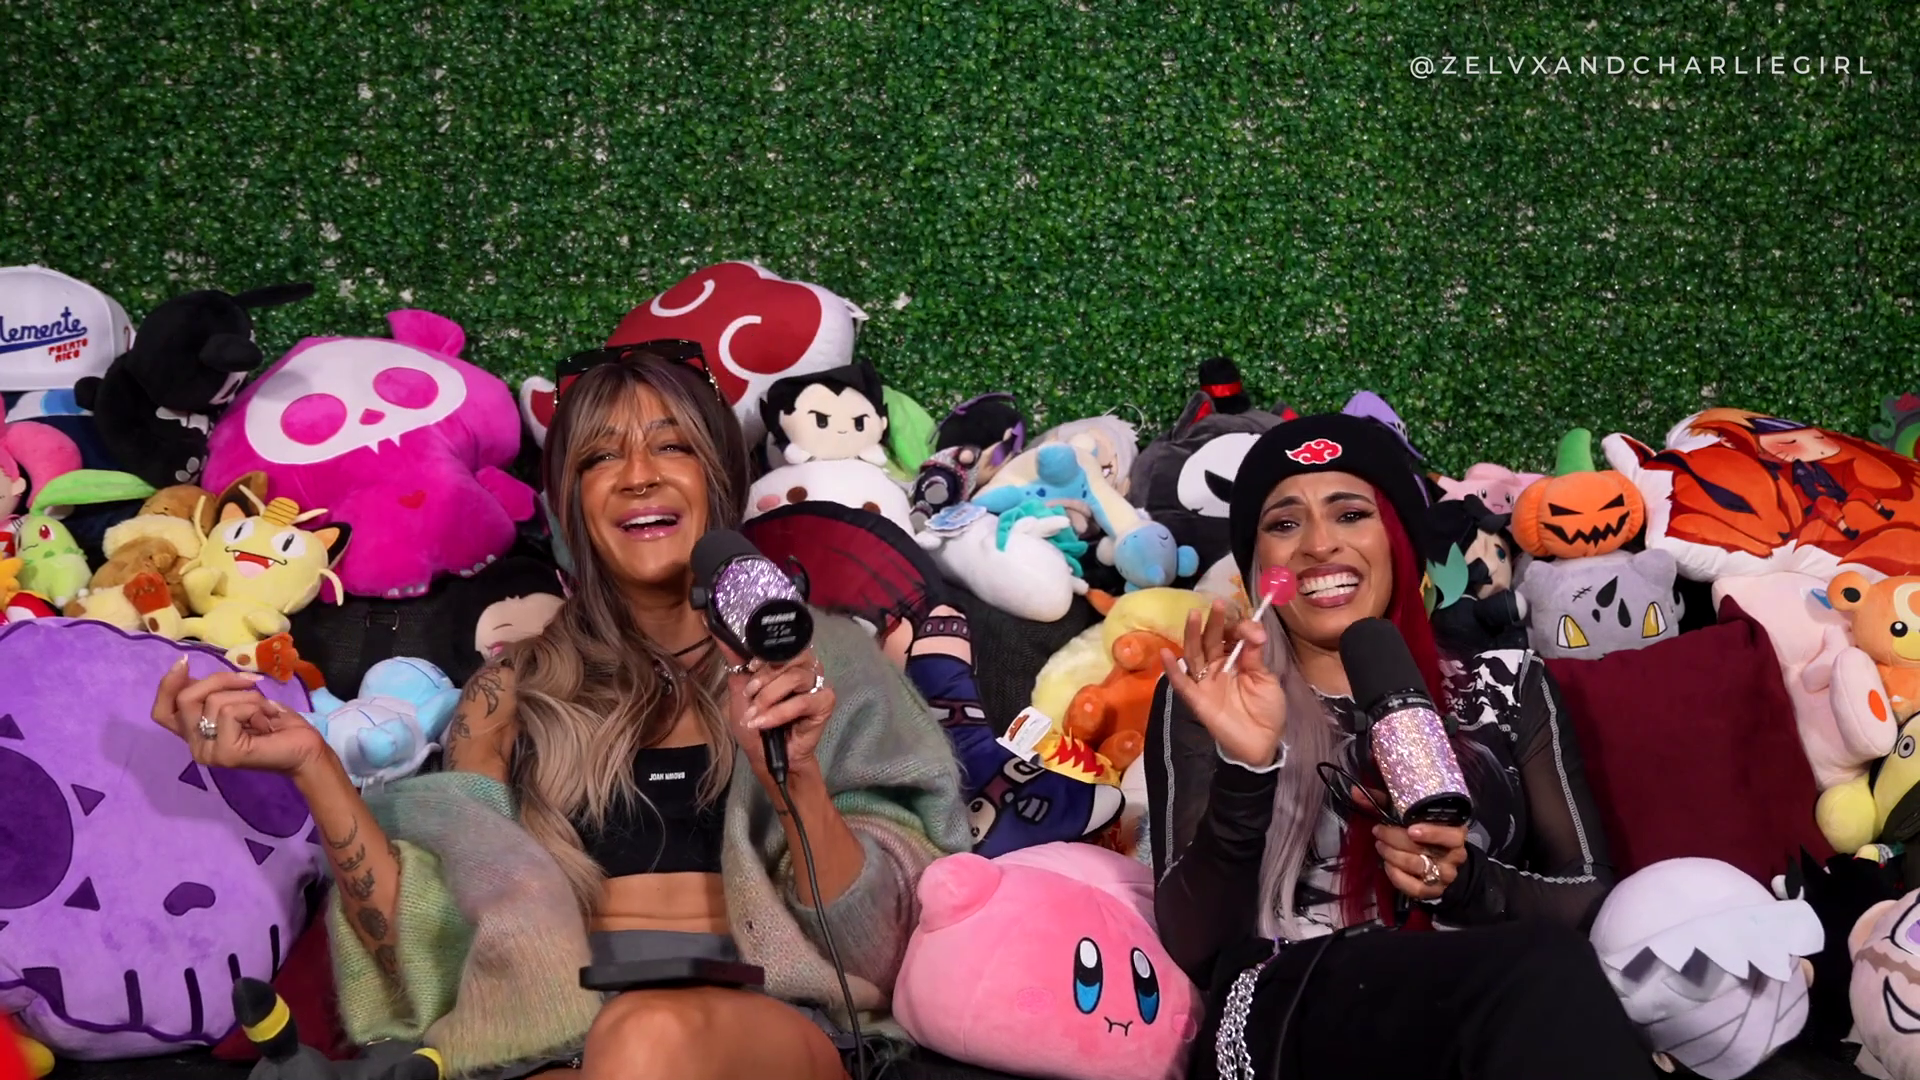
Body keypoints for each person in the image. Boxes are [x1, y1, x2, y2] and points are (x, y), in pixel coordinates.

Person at [149, 341, 971, 1080]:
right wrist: (313, 766)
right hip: (556, 1031)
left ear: (720, 477)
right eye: (600, 457)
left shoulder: (822, 662)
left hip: (770, 1017)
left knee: (645, 1037)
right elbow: (422, 945)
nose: (638, 474)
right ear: (571, 504)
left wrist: (796, 780)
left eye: (672, 446)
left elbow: (879, 946)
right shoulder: (510, 691)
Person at [1143, 413, 1656, 1080]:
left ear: (1399, 540)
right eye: (1285, 523)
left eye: (1351, 514)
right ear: (1256, 566)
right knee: (1544, 972)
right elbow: (1195, 944)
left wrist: (1468, 883)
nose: (1319, 544)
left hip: (1481, 1002)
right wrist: (1248, 770)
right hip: (1289, 1010)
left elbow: (1587, 894)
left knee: (1548, 975)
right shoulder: (1216, 689)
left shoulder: (1508, 683)